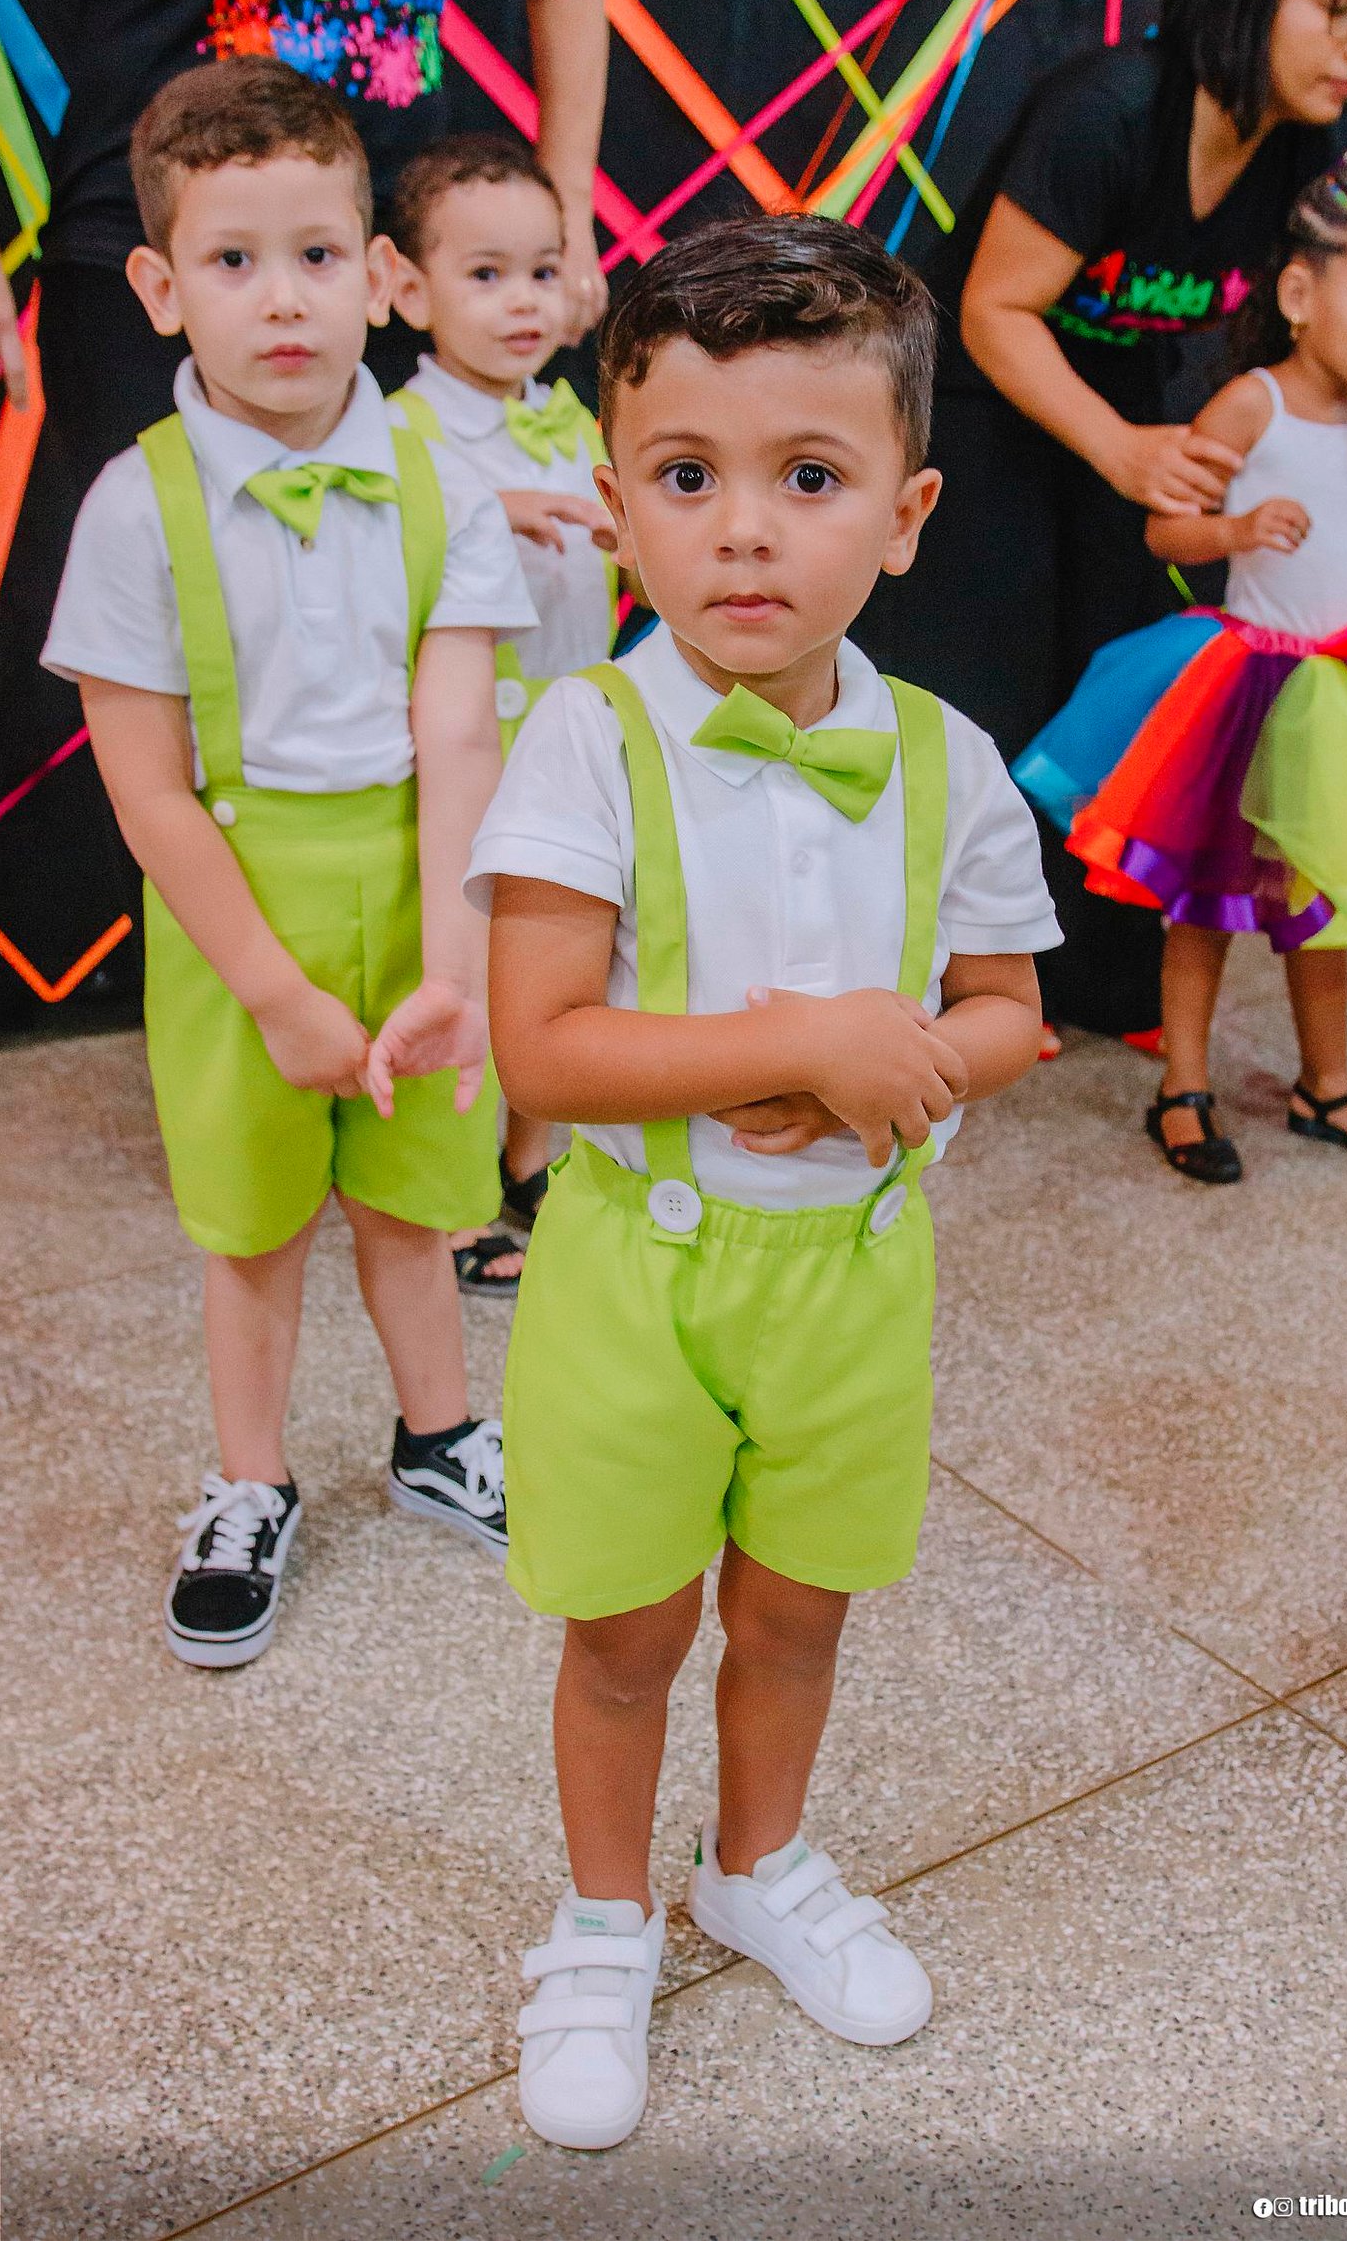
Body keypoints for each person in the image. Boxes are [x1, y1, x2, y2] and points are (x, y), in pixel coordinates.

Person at [466, 215, 1060, 2150]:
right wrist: (798, 1043)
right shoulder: (588, 734)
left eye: (809, 479)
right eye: (686, 477)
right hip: (638, 1279)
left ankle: (761, 1864)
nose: (743, 533)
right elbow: (546, 1050)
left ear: (906, 514)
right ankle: (603, 1922)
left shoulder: (947, 759)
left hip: (855, 1279)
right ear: (615, 504)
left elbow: (1011, 1015)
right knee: (629, 1631)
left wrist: (916, 1065)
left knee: (799, 1612)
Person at [40, 58, 536, 1665]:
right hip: (235, 906)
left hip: (417, 879)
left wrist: (454, 967)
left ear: (379, 276)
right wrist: (271, 990)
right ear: (159, 288)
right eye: (233, 260)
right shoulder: (133, 508)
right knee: (252, 1227)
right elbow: (150, 794)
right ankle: (251, 1479)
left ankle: (440, 1433)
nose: (281, 299)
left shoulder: (445, 485)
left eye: (317, 255)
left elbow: (460, 737)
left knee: (416, 1201)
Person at [0, 0, 607, 1016]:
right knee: (187, 659)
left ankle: (426, 998)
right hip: (163, 272)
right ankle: (243, 1015)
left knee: (426, 648)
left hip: (369, 274)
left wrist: (568, 205)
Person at [855, 0, 1347, 1042]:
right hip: (982, 403)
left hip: (1121, 414)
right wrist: (1120, 451)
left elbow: (1290, 318)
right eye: (1338, 9)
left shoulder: (1296, 152)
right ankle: (951, 989)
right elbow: (995, 311)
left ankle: (1101, 985)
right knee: (980, 697)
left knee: (1119, 700)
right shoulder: (1104, 112)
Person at [1014, 157, 1347, 1183]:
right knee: (1204, 905)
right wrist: (1236, 528)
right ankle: (1183, 1085)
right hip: (1245, 691)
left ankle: (1324, 1084)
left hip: (1344, 696)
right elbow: (1166, 530)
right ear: (1299, 294)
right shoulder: (1251, 406)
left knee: (1320, 900)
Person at [386, 129, 620, 1293]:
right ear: (408, 289)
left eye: (542, 269)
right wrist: (485, 510)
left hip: (576, 738)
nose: (523, 301)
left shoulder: (573, 420)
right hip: (472, 754)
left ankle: (532, 1160)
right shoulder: (398, 436)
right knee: (469, 963)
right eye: (485, 275)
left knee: (560, 956)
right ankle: (454, 1196)